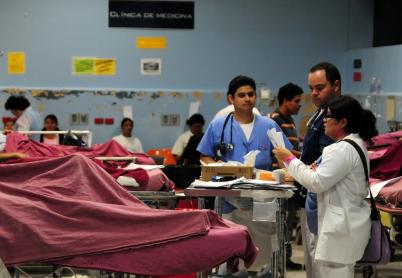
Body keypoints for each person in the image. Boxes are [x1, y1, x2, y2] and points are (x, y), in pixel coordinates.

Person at [273, 95, 377, 278]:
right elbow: (317, 173)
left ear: (342, 122)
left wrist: (288, 158)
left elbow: (316, 181)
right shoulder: (352, 145)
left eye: (328, 117)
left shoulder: (342, 150)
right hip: (344, 227)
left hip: (340, 232)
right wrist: (292, 163)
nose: (324, 122)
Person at [197, 75, 293, 273]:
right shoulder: (219, 125)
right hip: (228, 200)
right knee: (230, 256)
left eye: (251, 94)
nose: (247, 98)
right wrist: (218, 168)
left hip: (262, 201)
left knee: (263, 256)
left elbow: (287, 158)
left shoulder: (268, 126)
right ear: (231, 99)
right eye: (241, 95)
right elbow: (205, 156)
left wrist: (283, 171)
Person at [294, 62, 341, 277]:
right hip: (311, 200)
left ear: (336, 85)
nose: (313, 93)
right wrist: (295, 162)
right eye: (311, 88)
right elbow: (312, 158)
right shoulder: (319, 116)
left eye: (319, 88)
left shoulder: (337, 121)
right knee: (313, 262)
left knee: (323, 263)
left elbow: (325, 166)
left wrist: (292, 165)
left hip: (328, 203)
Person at [270, 82, 303, 270]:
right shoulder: (276, 120)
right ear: (285, 100)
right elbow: (279, 152)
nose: (300, 105)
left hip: (292, 178)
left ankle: (285, 257)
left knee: (288, 219)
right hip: (282, 180)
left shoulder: (288, 121)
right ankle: (281, 258)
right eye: (296, 101)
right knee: (282, 220)